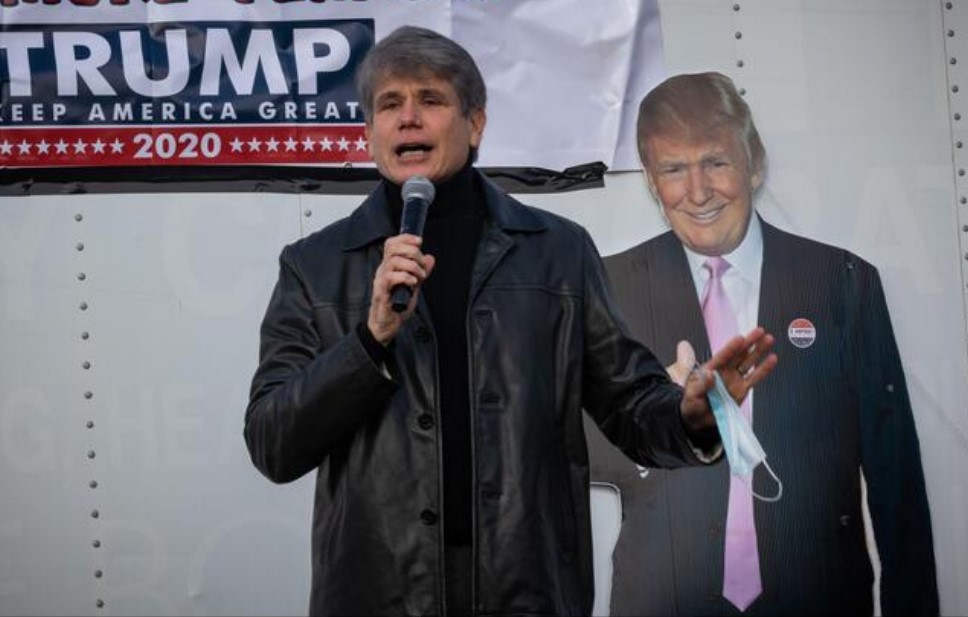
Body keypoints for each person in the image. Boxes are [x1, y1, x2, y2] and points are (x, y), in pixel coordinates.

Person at [244, 29, 777, 617]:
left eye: (431, 100)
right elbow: (273, 442)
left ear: (475, 124)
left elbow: (628, 402)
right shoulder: (316, 267)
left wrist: (692, 418)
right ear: (370, 134)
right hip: (379, 593)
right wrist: (368, 343)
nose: (409, 118)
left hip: (526, 589)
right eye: (389, 104)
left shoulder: (556, 251)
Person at [585, 72, 938, 616]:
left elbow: (896, 478)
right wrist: (664, 416)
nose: (697, 192)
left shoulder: (842, 283)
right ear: (653, 182)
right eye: (674, 170)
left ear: (755, 163)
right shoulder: (608, 289)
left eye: (715, 162)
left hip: (818, 598)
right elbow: (567, 451)